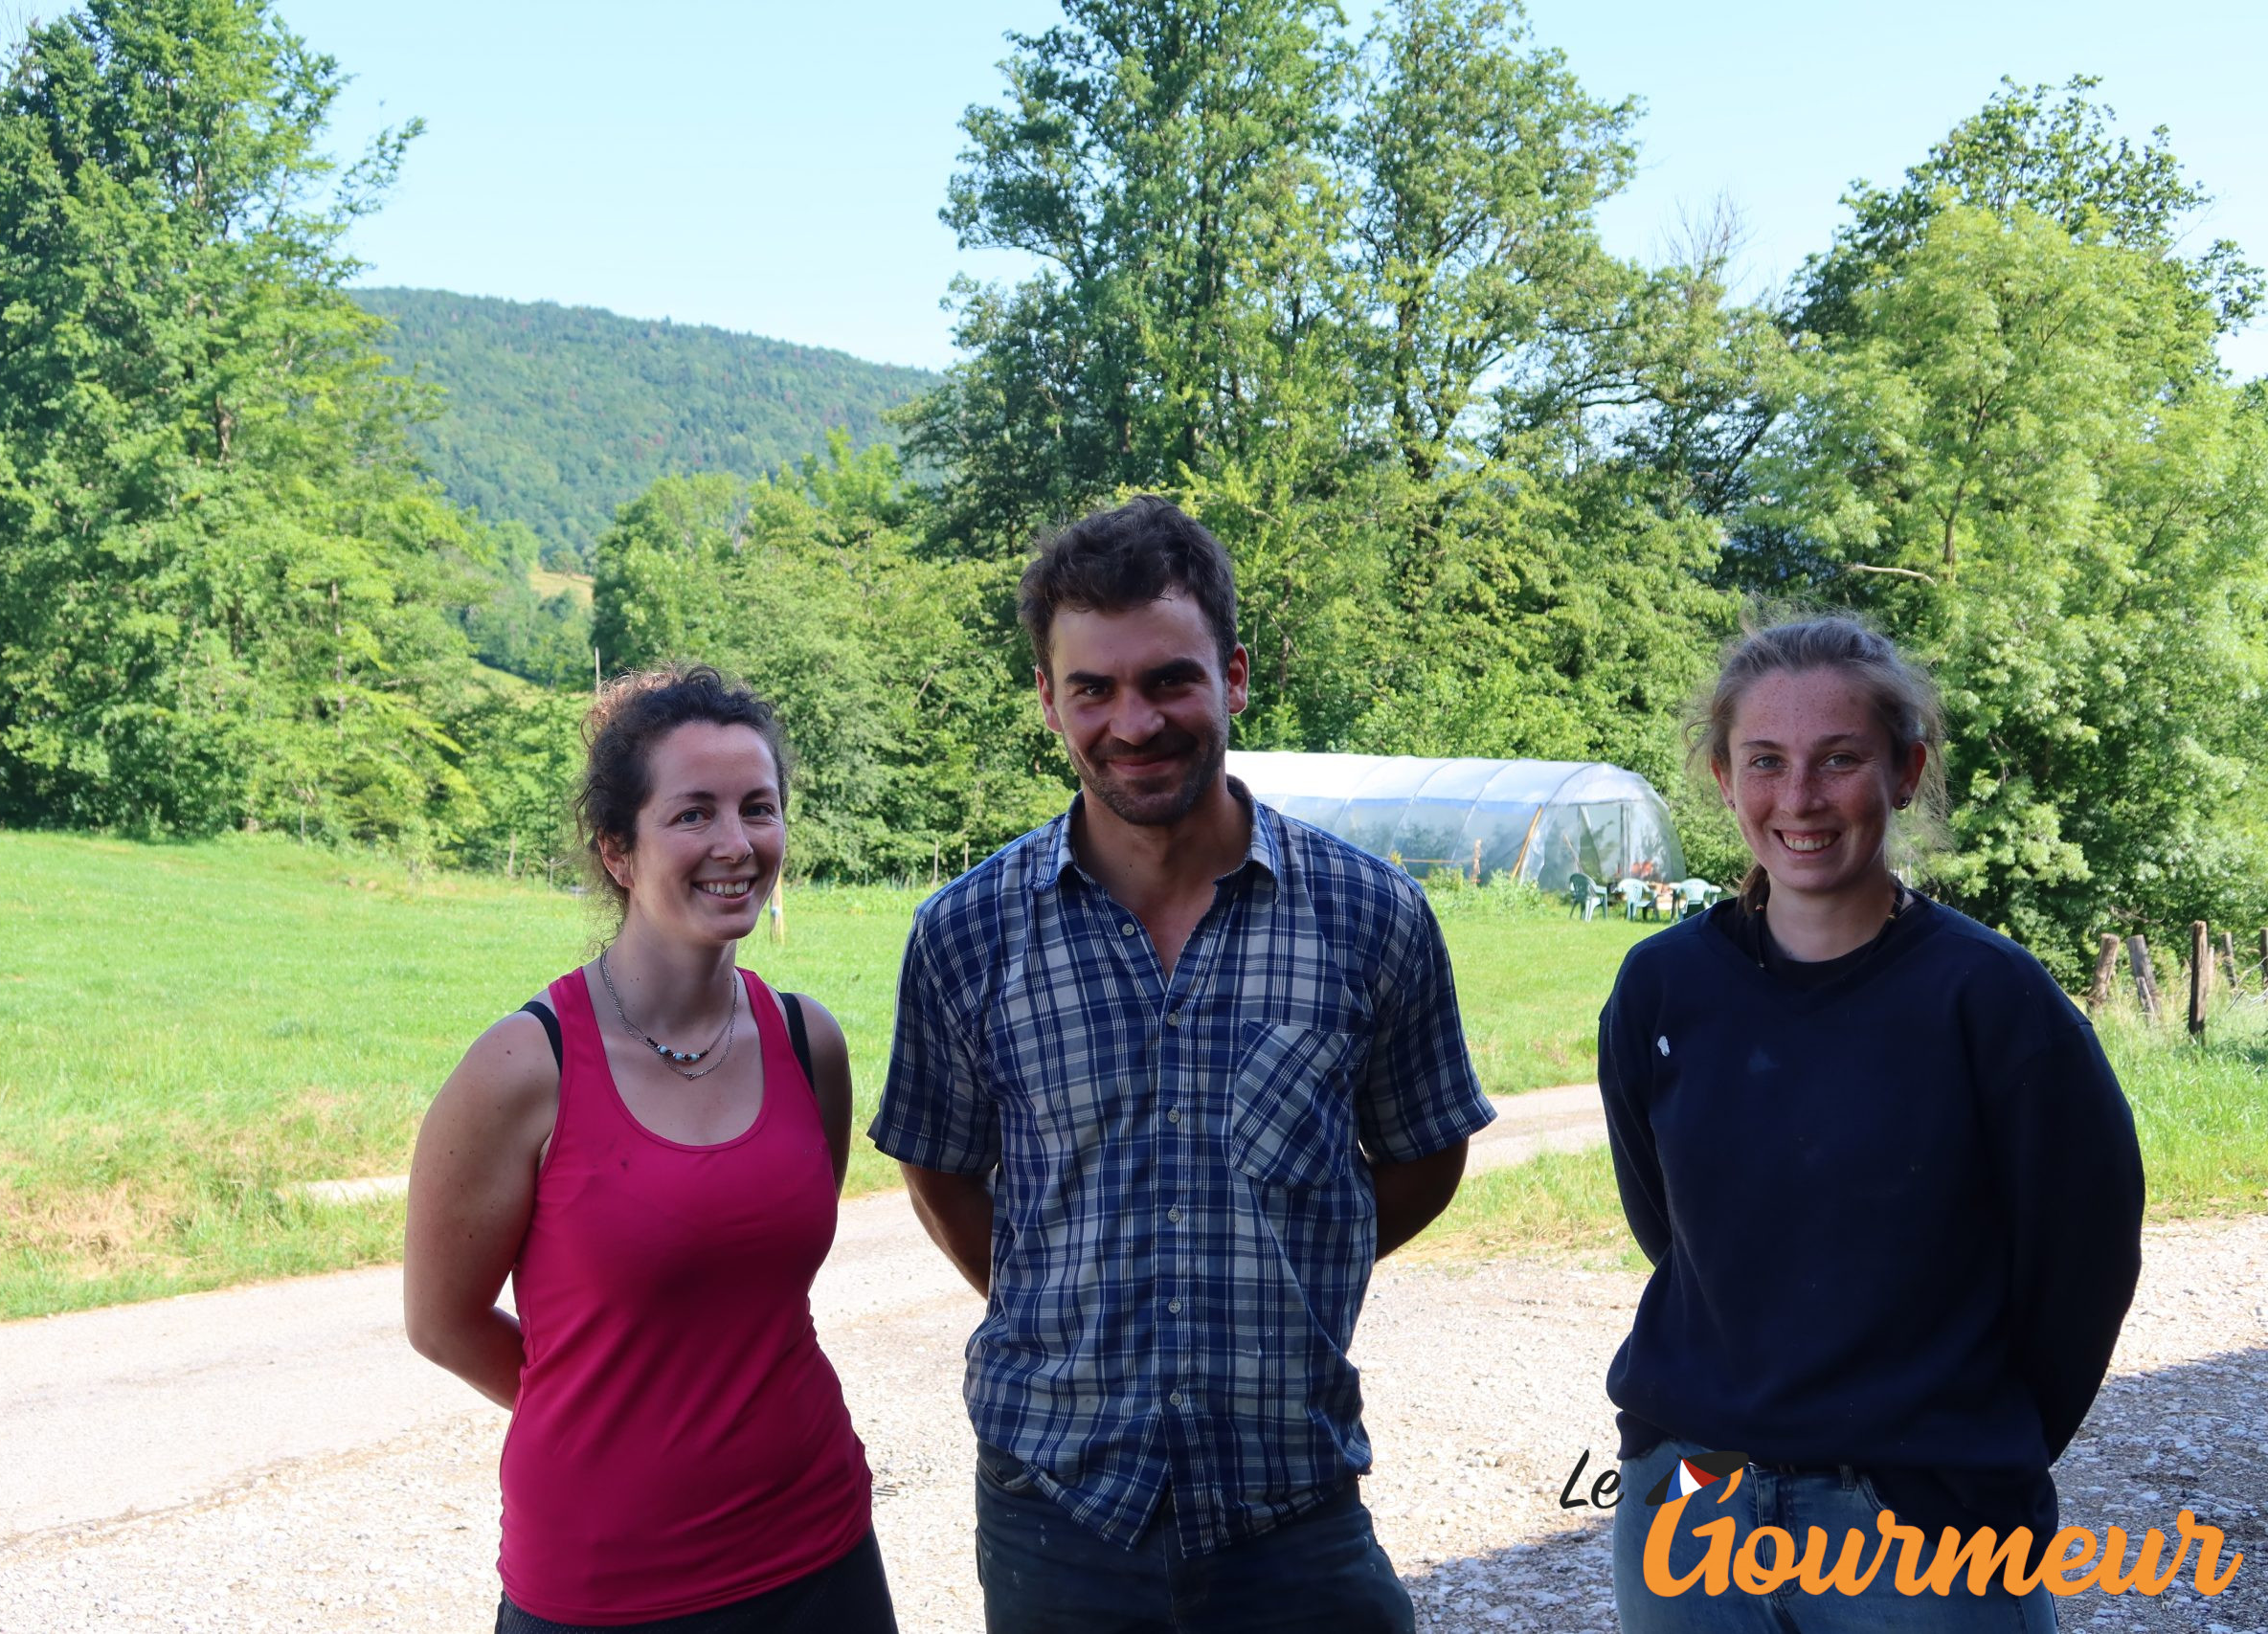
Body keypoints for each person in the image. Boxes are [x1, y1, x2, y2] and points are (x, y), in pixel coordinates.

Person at [870, 495, 1494, 1634]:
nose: (1134, 721)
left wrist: (1307, 1254)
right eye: (1092, 689)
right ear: (1050, 703)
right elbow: (942, 1170)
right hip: (1060, 1507)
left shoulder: (1370, 915)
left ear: (1235, 677)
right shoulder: (964, 931)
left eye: (1169, 679)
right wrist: (1053, 1296)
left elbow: (1424, 1148)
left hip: (1291, 1502)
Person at [1598, 616, 2144, 1633]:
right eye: (1765, 762)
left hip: (1922, 1535)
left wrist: (1962, 1450)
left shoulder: (1992, 1002)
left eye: (1838, 760)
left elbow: (2084, 1265)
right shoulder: (1661, 990)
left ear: (1905, 772)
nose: (1798, 798)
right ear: (1723, 777)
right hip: (1693, 1513)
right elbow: (1672, 1233)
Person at [403, 666, 896, 1634]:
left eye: (758, 808)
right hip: (606, 1583)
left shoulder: (809, 1045)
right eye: (692, 814)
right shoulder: (522, 1068)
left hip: (819, 1546)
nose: (734, 843)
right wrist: (613, 1430)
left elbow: (762, 1288)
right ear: (618, 852)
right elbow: (442, 1322)